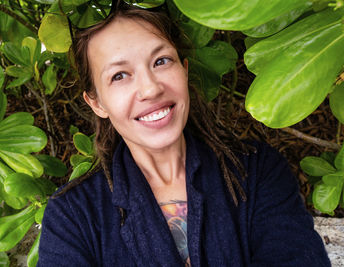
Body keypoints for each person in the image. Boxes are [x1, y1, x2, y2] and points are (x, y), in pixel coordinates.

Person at [37, 2, 330, 266]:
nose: (151, 88)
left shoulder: (258, 171)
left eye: (161, 61)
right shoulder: (72, 216)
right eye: (120, 75)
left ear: (185, 70)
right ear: (97, 102)